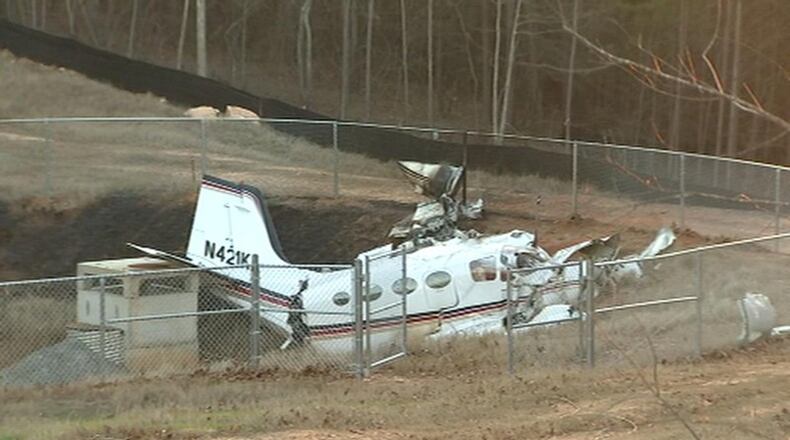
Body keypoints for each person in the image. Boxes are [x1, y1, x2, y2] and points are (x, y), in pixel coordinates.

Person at [287, 278, 310, 345]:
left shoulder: (300, 296)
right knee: (296, 325)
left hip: (297, 317)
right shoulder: (297, 296)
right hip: (296, 317)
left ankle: (301, 338)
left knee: (297, 326)